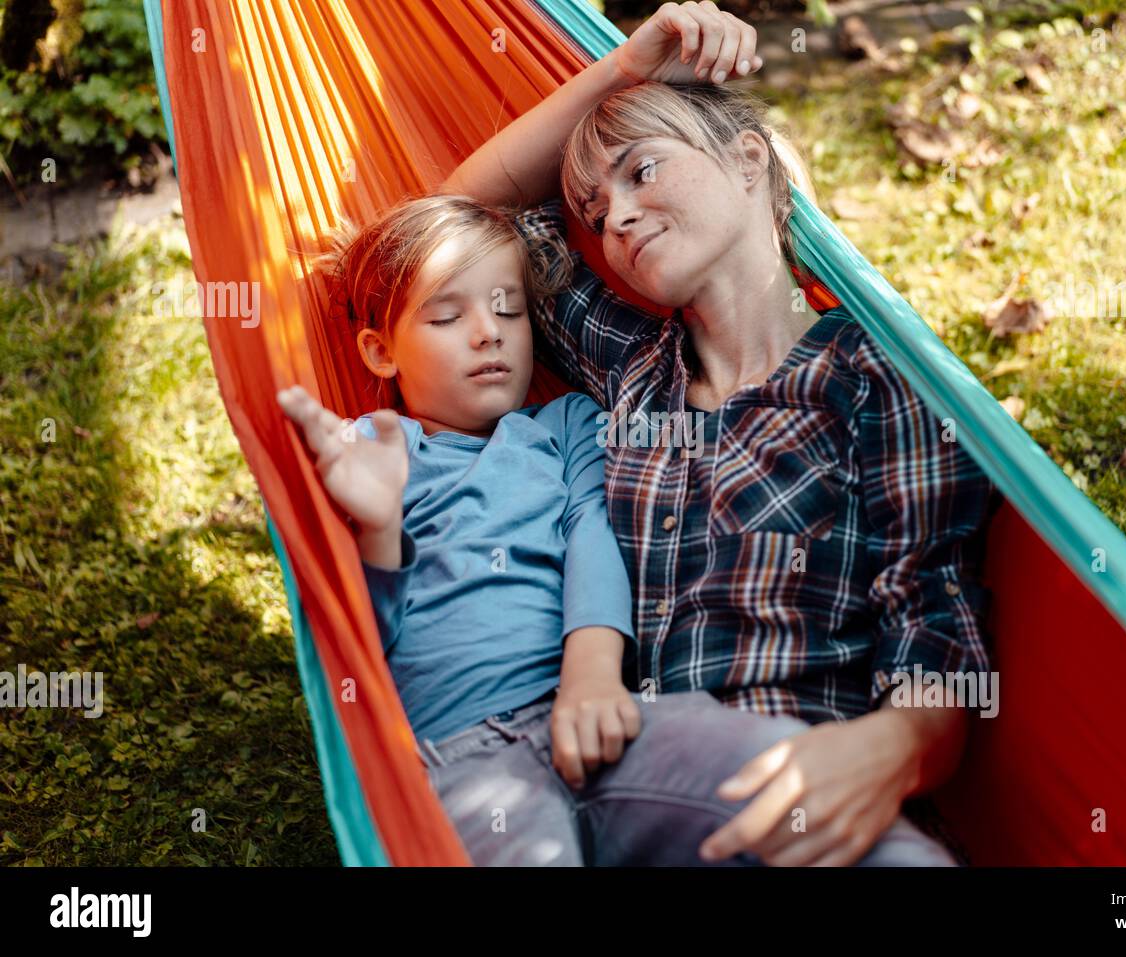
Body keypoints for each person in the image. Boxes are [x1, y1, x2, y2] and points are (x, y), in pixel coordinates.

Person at [441, 0, 997, 866]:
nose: (614, 219)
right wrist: (627, 68)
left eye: (642, 171)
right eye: (593, 208)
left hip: (795, 791)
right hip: (617, 780)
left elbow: (935, 627)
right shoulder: (630, 366)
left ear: (748, 161)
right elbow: (458, 220)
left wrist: (891, 748)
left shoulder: (877, 381)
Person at [277, 194, 951, 865]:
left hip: (601, 714)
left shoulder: (565, 423)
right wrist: (379, 526)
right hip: (458, 754)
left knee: (777, 782)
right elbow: (355, 642)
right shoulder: (371, 453)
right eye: (448, 316)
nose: (489, 331)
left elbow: (592, 540)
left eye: (509, 308)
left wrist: (593, 677)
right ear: (379, 351)